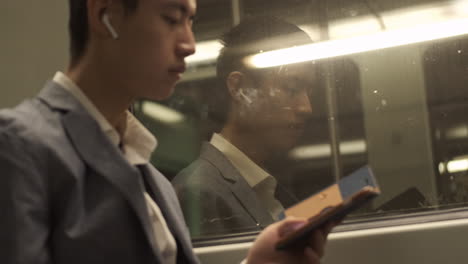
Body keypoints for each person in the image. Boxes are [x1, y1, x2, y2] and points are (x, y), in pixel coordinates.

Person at [0, 0, 332, 263]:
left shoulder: (152, 179)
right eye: (172, 19)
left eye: (190, 21)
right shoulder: (19, 146)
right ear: (105, 15)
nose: (189, 43)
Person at [172, 16, 317, 237]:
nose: (306, 107)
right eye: (291, 88)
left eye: (308, 91)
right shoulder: (200, 192)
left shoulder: (267, 186)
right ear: (240, 89)